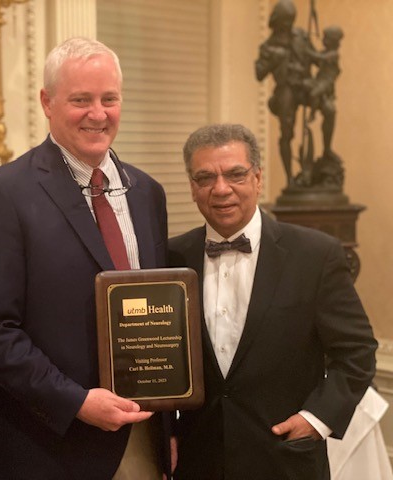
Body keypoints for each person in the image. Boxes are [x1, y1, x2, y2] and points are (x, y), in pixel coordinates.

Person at [0, 37, 170, 479]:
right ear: (47, 102)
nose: (98, 114)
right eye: (80, 100)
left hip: (143, 442)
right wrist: (73, 401)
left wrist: (171, 421)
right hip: (48, 449)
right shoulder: (4, 194)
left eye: (108, 99)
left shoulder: (148, 193)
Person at [168, 123, 377, 480]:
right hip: (198, 461)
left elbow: (357, 351)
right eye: (205, 177)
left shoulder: (315, 255)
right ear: (192, 187)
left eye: (235, 174)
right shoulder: (172, 256)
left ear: (258, 178)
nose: (221, 189)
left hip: (285, 459)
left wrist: (316, 419)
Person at [255, 0, 314, 185]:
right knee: (287, 130)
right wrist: (275, 58)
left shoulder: (302, 36)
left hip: (305, 85)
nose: (288, 24)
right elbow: (259, 73)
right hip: (285, 88)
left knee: (329, 107)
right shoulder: (269, 46)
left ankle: (326, 151)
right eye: (285, 20)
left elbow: (315, 59)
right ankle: (289, 177)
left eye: (291, 20)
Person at [307, 25, 343, 157]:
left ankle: (312, 113)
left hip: (326, 83)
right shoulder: (325, 52)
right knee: (314, 93)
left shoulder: (333, 54)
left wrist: (308, 50)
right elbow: (316, 60)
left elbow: (319, 58)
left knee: (315, 93)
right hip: (320, 80)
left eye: (326, 38)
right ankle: (313, 111)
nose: (323, 40)